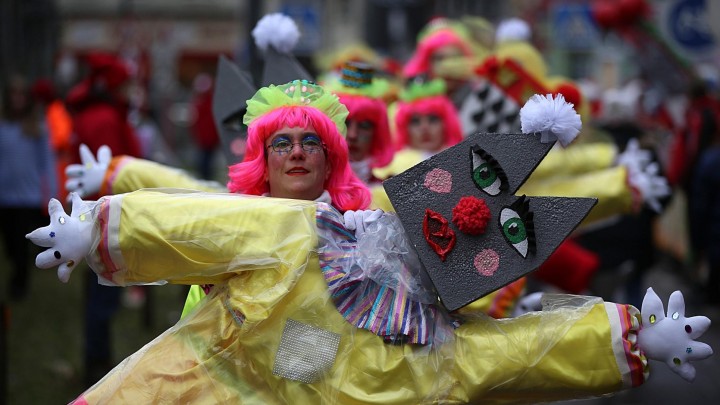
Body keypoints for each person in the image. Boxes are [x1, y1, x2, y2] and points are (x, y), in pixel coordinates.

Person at [26, 82, 713, 403]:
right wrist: (104, 214)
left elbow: (525, 352)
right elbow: (192, 211)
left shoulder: (431, 350)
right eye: (283, 143)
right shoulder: (299, 231)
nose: (299, 153)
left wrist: (627, 340)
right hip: (188, 383)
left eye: (312, 142)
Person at [0, 75, 57, 300]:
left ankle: (19, 284)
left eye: (21, 95)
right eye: (14, 94)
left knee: (21, 242)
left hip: (27, 196)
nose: (17, 99)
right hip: (5, 195)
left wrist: (52, 194)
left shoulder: (37, 128)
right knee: (9, 243)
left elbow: (47, 163)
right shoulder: (3, 126)